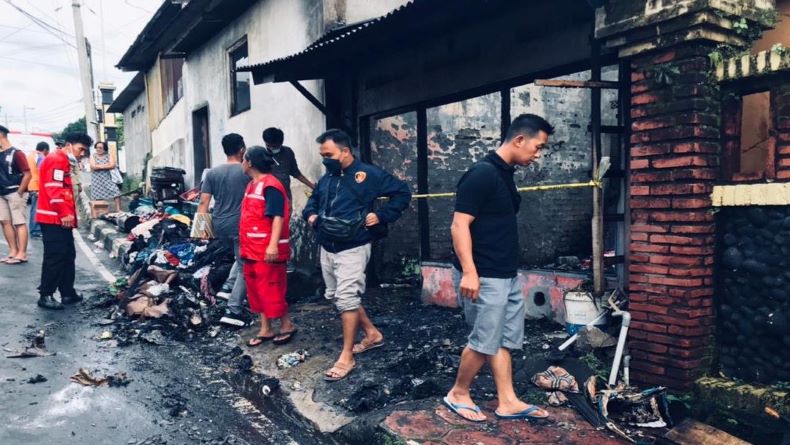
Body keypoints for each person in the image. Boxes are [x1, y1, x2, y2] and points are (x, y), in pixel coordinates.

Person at [443, 114, 554, 423]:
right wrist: (469, 272)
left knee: (503, 340)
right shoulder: (482, 174)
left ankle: (507, 401)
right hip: (484, 274)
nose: (538, 154)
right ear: (519, 140)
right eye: (537, 147)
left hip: (505, 273)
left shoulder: (504, 174)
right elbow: (459, 225)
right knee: (483, 341)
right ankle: (458, 393)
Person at [303, 129, 411, 382]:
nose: (324, 159)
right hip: (326, 245)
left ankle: (346, 356)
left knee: (347, 298)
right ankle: (372, 334)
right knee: (337, 296)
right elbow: (313, 202)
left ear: (345, 151)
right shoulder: (326, 179)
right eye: (322, 155)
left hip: (353, 245)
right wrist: (311, 216)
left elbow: (402, 193)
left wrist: (382, 216)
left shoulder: (370, 175)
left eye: (328, 154)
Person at [239, 147, 296, 346]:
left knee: (272, 289)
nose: (242, 163)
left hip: (266, 250)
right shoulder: (252, 185)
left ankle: (286, 325)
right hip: (251, 249)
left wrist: (272, 246)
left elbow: (278, 217)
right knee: (256, 289)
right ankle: (266, 328)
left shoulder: (271, 186)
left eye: (244, 159)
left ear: (250, 163)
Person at [197, 133, 252, 327]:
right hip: (242, 225)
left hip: (220, 225)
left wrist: (201, 231)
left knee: (240, 258)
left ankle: (228, 287)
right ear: (242, 149)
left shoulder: (212, 173)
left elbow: (203, 202)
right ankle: (233, 310)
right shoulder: (247, 171)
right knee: (248, 266)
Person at [36, 132, 92, 310]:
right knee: (55, 256)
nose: (82, 153)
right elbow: (54, 189)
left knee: (68, 255)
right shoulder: (57, 159)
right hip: (53, 217)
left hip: (59, 217)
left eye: (84, 150)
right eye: (80, 149)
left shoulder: (63, 160)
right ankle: (45, 295)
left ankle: (68, 293)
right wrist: (64, 213)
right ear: (69, 145)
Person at [0, 125, 32, 264]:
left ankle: (22, 253)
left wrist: (20, 191)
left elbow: (27, 174)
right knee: (4, 222)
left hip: (15, 192)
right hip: (1, 192)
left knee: (19, 222)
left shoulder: (16, 153)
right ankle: (13, 251)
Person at [262, 127, 315, 199]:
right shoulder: (262, 155)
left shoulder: (288, 152)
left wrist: (312, 185)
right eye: (268, 145)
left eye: (274, 146)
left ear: (281, 143)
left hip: (286, 196)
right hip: (267, 196)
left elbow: (296, 173)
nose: (271, 148)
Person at [89, 141, 122, 212]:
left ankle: (118, 210)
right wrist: (106, 165)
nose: (98, 149)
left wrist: (99, 166)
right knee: (98, 195)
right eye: (97, 147)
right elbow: (93, 166)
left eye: (100, 147)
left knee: (116, 192)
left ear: (104, 148)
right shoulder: (93, 156)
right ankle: (102, 212)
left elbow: (112, 165)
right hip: (96, 179)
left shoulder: (109, 155)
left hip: (108, 178)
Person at [27, 141, 50, 238]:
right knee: (36, 209)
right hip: (38, 186)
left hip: (31, 185)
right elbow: (42, 172)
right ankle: (35, 231)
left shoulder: (30, 155)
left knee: (34, 209)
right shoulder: (41, 157)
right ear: (45, 150)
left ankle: (35, 229)